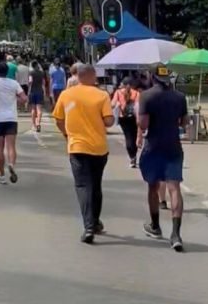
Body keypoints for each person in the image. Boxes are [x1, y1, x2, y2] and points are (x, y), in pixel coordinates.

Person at [52, 64, 114, 244]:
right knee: (96, 185)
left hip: (77, 147)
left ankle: (88, 226)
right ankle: (94, 222)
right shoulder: (102, 95)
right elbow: (109, 121)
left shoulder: (66, 94)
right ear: (93, 76)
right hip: (99, 148)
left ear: (78, 77)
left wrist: (66, 134)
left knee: (83, 186)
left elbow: (59, 119)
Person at [138, 63, 187, 252]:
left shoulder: (146, 96)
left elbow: (143, 124)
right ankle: (176, 234)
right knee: (174, 188)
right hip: (173, 146)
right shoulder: (180, 97)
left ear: (153, 77)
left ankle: (155, 226)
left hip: (154, 147)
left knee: (153, 187)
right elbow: (183, 122)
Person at [0, 62, 27, 185]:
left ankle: (1, 173)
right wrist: (16, 99)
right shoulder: (14, 83)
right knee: (11, 146)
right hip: (12, 118)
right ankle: (11, 164)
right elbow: (24, 99)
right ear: (8, 71)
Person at [112, 78, 140, 168]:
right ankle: (134, 156)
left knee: (128, 136)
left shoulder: (118, 92)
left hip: (123, 117)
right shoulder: (137, 93)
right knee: (134, 136)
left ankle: (132, 157)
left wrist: (118, 105)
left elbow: (112, 104)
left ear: (123, 84)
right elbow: (138, 106)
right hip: (134, 117)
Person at [28, 61, 46, 132]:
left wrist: (28, 91)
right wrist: (44, 92)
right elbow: (43, 83)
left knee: (33, 109)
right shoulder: (42, 73)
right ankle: (38, 122)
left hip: (33, 91)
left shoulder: (31, 73)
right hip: (40, 91)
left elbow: (30, 82)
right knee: (39, 109)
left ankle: (33, 125)